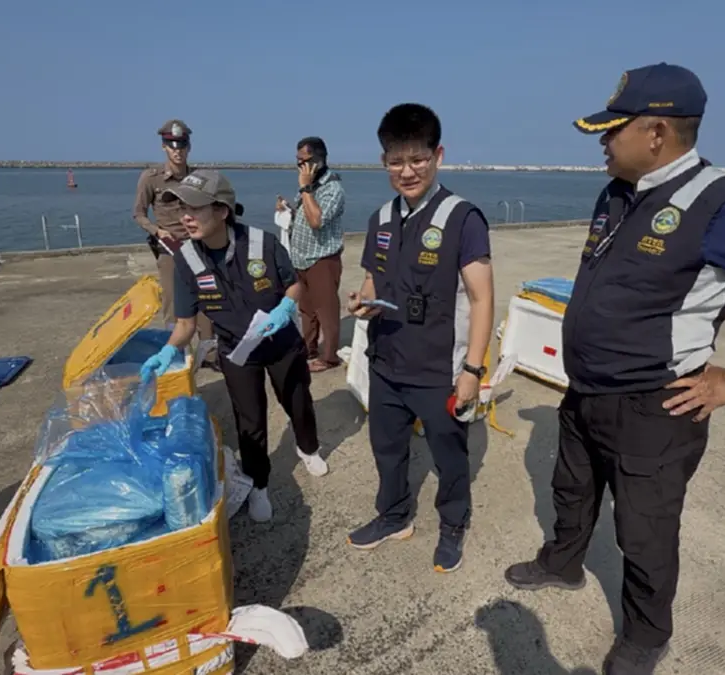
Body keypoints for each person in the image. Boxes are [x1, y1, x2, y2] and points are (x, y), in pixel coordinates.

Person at [502, 63, 725, 675]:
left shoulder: (724, 206)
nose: (603, 142)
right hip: (586, 392)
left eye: (612, 130)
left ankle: (646, 632)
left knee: (645, 530)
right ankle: (562, 563)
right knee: (571, 489)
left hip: (654, 408)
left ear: (656, 132)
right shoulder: (618, 191)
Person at [345, 103, 495, 574]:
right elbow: (373, 279)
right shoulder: (381, 219)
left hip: (439, 369)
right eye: (396, 161)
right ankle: (394, 516)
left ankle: (453, 523)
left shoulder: (463, 217)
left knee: (449, 456)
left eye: (417, 159)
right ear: (384, 162)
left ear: (438, 156)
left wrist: (472, 369)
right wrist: (362, 301)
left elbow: (483, 298)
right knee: (387, 450)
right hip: (387, 360)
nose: (406, 171)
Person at [140, 170, 329, 523]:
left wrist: (286, 307)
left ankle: (308, 448)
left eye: (194, 208)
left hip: (282, 344)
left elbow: (293, 286)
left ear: (223, 210)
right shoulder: (186, 260)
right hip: (236, 352)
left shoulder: (263, 243)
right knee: (249, 421)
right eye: (182, 208)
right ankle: (259, 484)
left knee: (298, 401)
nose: (185, 217)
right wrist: (168, 350)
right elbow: (185, 324)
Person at [132, 119, 217, 369]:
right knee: (174, 304)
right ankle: (177, 355)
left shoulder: (198, 178)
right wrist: (156, 230)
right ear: (164, 147)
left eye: (182, 145)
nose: (177, 150)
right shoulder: (151, 178)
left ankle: (209, 353)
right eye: (172, 145)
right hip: (169, 248)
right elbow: (138, 213)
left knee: (207, 298)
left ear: (189, 147)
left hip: (198, 247)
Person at [275, 137, 346, 373]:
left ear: (318, 160)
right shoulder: (310, 186)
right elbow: (305, 215)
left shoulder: (332, 188)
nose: (301, 168)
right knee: (306, 308)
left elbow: (317, 220)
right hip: (301, 258)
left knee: (326, 310)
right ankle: (309, 348)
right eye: (298, 162)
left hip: (322, 258)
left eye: (304, 162)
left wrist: (304, 187)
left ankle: (330, 356)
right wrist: (288, 210)